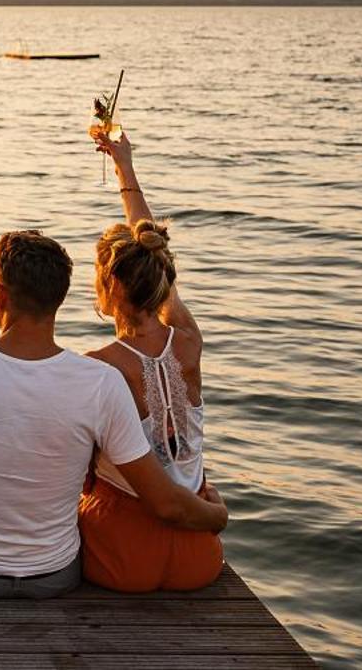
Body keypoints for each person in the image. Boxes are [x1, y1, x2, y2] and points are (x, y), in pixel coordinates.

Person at [0, 229, 227, 599]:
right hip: (56, 575)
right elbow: (163, 499)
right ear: (59, 299)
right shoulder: (100, 381)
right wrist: (217, 515)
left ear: (0, 296)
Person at [77, 128, 224, 591]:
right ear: (160, 279)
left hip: (123, 552)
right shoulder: (189, 342)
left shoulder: (97, 368)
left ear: (107, 290)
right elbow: (152, 253)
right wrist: (125, 166)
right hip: (198, 553)